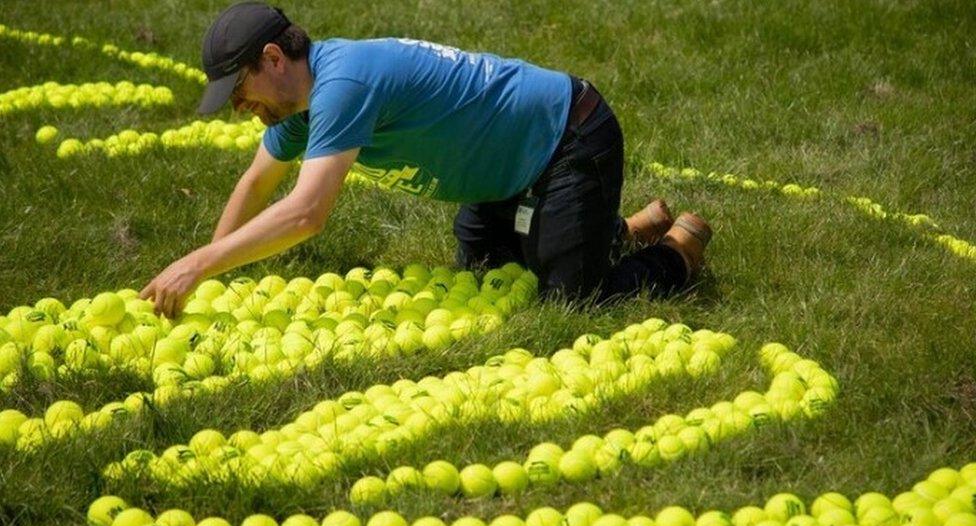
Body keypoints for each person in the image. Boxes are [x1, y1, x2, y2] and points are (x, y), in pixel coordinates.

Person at [140, 1, 712, 318]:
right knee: (488, 267)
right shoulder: (295, 106)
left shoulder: (344, 83)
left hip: (570, 137)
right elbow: (257, 183)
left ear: (273, 59)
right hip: (505, 177)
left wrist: (198, 268)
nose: (240, 108)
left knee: (572, 300)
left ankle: (674, 255)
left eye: (239, 91)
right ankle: (612, 230)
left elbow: (305, 215)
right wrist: (209, 267)